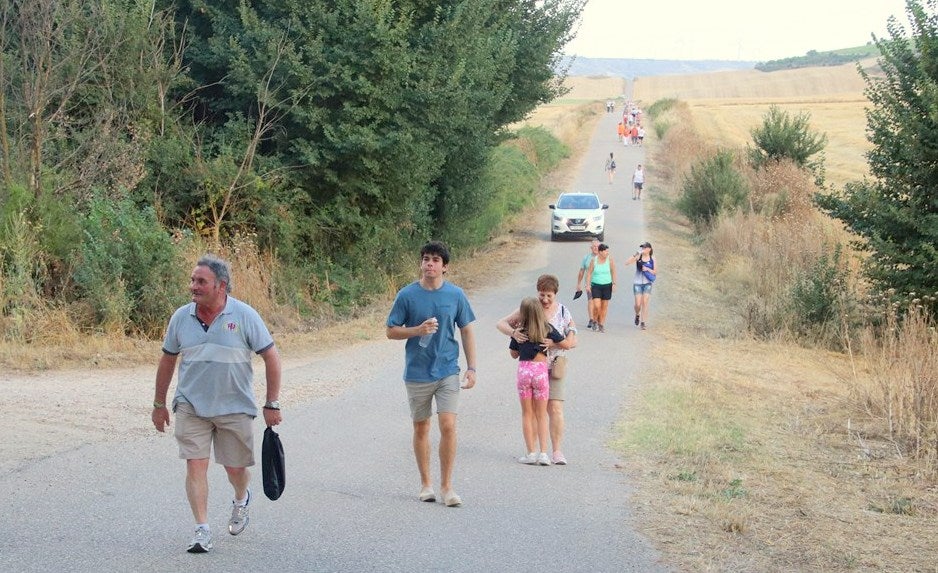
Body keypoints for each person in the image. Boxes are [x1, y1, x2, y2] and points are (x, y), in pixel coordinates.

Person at [152, 255, 283, 554]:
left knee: (234, 468)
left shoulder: (245, 316)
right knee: (195, 465)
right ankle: (202, 530)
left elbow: (271, 357)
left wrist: (271, 402)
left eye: (201, 282)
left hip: (234, 406)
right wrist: (159, 403)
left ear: (221, 286)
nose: (193, 287)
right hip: (191, 405)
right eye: (192, 280)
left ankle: (241, 498)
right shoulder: (180, 318)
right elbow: (168, 360)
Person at [386, 241, 477, 508]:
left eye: (436, 260)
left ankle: (447, 487)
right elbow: (391, 330)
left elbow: (467, 330)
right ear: (421, 263)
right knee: (421, 426)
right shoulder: (407, 295)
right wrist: (417, 330)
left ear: (445, 267)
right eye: (426, 259)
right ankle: (426, 483)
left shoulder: (456, 295)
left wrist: (472, 368)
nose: (430, 264)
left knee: (448, 425)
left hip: (448, 369)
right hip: (416, 371)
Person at [496, 274, 578, 465]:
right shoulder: (530, 308)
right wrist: (514, 333)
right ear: (537, 293)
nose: (545, 299)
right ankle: (537, 450)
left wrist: (555, 343)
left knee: (554, 408)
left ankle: (555, 451)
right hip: (540, 369)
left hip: (554, 365)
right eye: (542, 295)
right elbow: (501, 323)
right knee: (536, 411)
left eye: (549, 295)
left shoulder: (564, 312)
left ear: (555, 294)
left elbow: (572, 341)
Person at [585, 243, 617, 332]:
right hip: (596, 285)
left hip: (607, 285)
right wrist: (587, 285)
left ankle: (601, 324)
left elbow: (613, 271)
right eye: (606, 251)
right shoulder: (593, 261)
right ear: (600, 252)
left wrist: (614, 284)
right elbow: (589, 273)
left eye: (607, 251)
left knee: (604, 306)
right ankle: (595, 320)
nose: (607, 253)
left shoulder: (610, 260)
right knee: (597, 306)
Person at [625, 242, 657, 330]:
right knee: (638, 304)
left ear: (649, 249)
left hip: (647, 283)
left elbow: (655, 272)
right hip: (638, 283)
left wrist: (648, 269)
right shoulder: (639, 257)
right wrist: (636, 253)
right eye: (642, 248)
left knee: (645, 302)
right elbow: (627, 262)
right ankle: (637, 314)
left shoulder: (652, 258)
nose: (643, 249)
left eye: (644, 248)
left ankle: (643, 322)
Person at [574, 239, 600, 329]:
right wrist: (578, 284)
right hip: (589, 283)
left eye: (597, 247)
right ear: (591, 248)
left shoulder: (604, 257)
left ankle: (597, 318)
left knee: (598, 302)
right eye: (594, 247)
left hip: (601, 283)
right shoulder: (587, 258)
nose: (596, 248)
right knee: (590, 300)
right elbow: (581, 271)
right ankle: (591, 319)